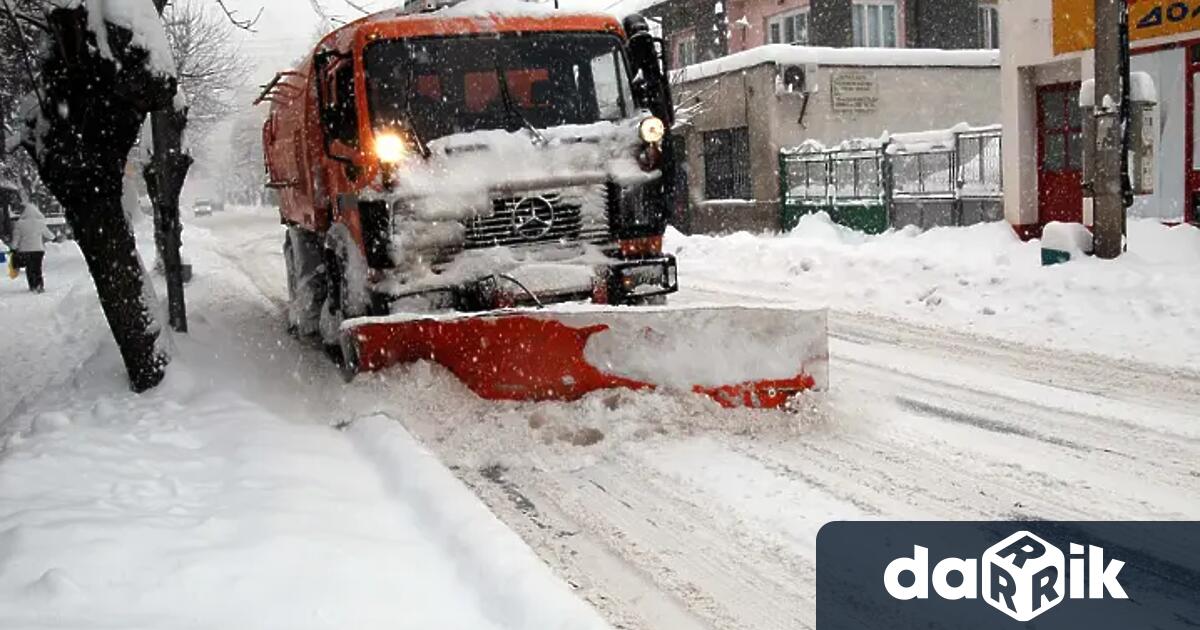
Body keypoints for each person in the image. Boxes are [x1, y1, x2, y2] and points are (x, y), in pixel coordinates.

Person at [10, 203, 54, 293]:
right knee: (37, 268)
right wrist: (54, 238)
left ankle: (32, 285)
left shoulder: (19, 224)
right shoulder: (40, 223)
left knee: (29, 268)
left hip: (25, 250)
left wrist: (13, 248)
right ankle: (39, 285)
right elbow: (49, 235)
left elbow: (16, 239)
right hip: (38, 250)